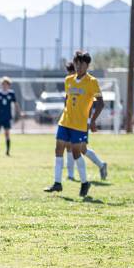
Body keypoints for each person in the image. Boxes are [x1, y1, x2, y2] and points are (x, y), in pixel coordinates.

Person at [45, 51, 104, 197]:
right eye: (76, 63)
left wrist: (93, 121)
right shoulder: (68, 80)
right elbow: (67, 99)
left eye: (82, 64)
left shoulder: (92, 82)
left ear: (87, 65)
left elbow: (101, 104)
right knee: (58, 149)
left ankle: (85, 182)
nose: (78, 66)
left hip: (79, 124)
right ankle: (57, 183)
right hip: (65, 121)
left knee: (77, 152)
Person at [62, 61, 108, 182]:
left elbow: (92, 103)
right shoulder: (70, 83)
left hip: (82, 122)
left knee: (80, 148)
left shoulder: (88, 83)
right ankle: (71, 175)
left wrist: (90, 121)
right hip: (70, 121)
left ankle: (101, 165)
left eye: (72, 72)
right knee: (72, 146)